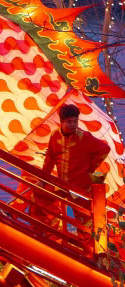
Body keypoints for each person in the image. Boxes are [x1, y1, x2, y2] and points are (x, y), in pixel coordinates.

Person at [40, 102, 108, 246]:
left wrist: (90, 168)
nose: (73, 125)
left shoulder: (84, 137)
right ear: (62, 121)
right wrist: (42, 179)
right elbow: (50, 159)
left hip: (80, 187)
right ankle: (51, 240)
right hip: (62, 185)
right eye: (69, 122)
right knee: (40, 198)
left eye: (75, 121)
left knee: (84, 220)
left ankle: (89, 250)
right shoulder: (55, 135)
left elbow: (104, 149)